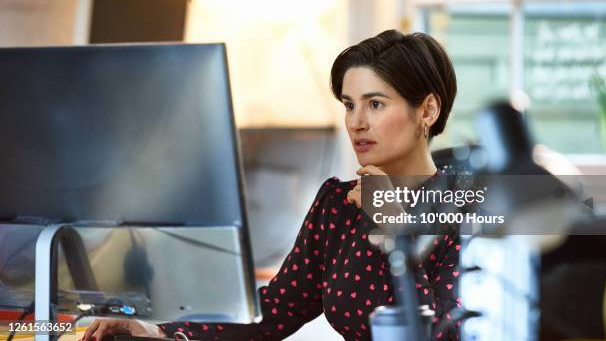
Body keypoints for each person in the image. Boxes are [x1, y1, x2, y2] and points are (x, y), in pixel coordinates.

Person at [81, 30, 460, 341]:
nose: (356, 122)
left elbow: (442, 334)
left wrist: (395, 228)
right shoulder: (338, 204)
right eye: (348, 104)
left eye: (375, 104)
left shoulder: (469, 212)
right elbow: (276, 310)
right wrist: (162, 331)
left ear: (427, 110)